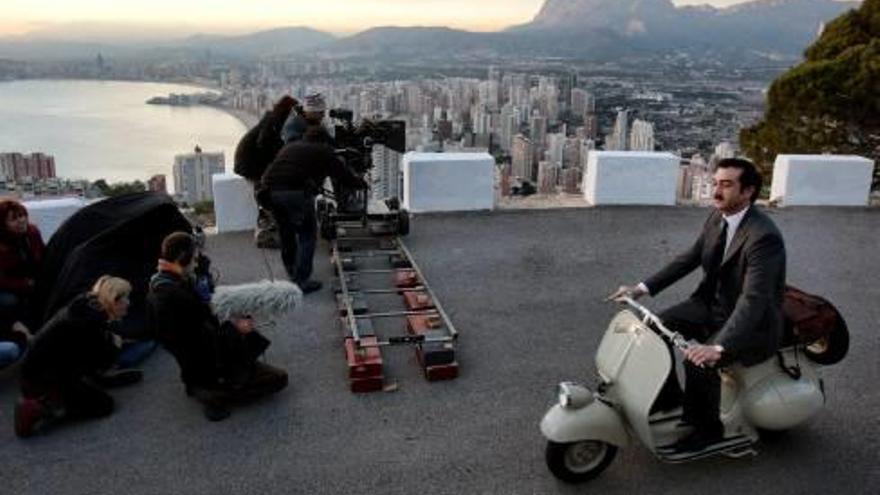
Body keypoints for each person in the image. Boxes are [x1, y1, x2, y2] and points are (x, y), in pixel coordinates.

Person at [608, 157, 786, 454]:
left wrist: (718, 347)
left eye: (726, 185)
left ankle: (708, 431)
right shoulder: (718, 217)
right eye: (715, 183)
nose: (717, 191)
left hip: (747, 323)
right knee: (652, 329)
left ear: (748, 192)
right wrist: (640, 289)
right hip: (710, 305)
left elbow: (754, 300)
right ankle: (670, 399)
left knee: (698, 361)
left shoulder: (764, 238)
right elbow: (690, 257)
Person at [147, 232, 288, 421]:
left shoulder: (161, 280)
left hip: (194, 358)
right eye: (195, 258)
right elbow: (202, 337)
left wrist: (204, 276)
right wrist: (238, 329)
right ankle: (213, 394)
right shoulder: (174, 295)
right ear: (182, 257)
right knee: (279, 379)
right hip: (206, 361)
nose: (196, 262)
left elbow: (202, 316)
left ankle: (204, 385)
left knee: (253, 358)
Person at [14, 276, 133, 438]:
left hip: (36, 371)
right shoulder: (90, 324)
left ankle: (55, 399)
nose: (128, 303)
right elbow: (99, 363)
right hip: (41, 380)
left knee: (90, 391)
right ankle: (40, 406)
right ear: (113, 299)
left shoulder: (85, 305)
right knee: (104, 406)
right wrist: (113, 345)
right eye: (124, 299)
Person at [262, 122, 367, 294]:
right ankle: (301, 281)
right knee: (307, 235)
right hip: (294, 193)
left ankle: (292, 271)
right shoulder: (323, 151)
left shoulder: (292, 146)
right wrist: (360, 183)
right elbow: (342, 174)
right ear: (324, 140)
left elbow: (276, 170)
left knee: (286, 232)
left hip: (270, 192)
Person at [234, 95, 298, 248]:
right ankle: (267, 231)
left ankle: (268, 228)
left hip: (248, 161)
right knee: (266, 194)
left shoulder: (273, 119)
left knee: (265, 193)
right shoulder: (274, 121)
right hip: (250, 164)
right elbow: (264, 143)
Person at [0, 199, 45, 369]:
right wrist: (25, 284)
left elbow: (43, 256)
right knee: (8, 301)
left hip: (30, 282)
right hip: (9, 288)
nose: (21, 221)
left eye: (22, 216)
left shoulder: (32, 233)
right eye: (13, 219)